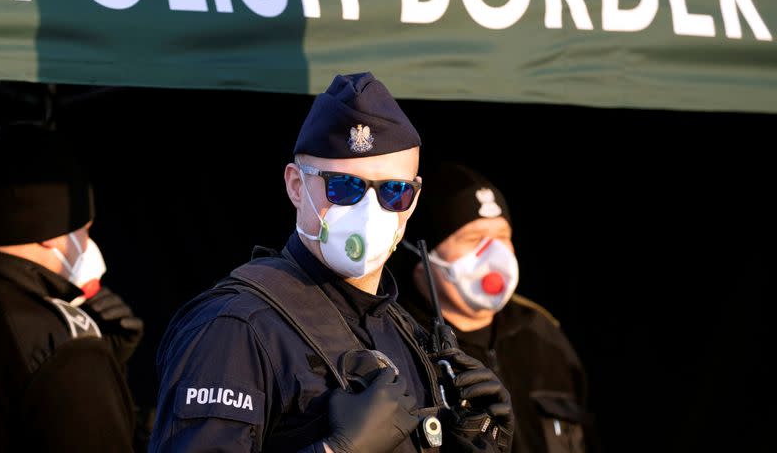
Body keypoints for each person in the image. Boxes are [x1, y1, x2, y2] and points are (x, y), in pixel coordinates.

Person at [149, 72, 514, 453]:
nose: (369, 211)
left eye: (394, 191)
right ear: (296, 186)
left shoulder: (406, 332)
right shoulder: (236, 327)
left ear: (413, 200)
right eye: (345, 186)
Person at [392, 161, 596, 453]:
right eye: (473, 239)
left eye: (502, 238)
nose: (494, 255)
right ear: (421, 257)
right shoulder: (397, 341)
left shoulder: (543, 335)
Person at [0, 124, 144, 452]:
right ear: (51, 233)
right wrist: (91, 361)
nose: (88, 245)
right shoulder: (65, 344)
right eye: (84, 231)